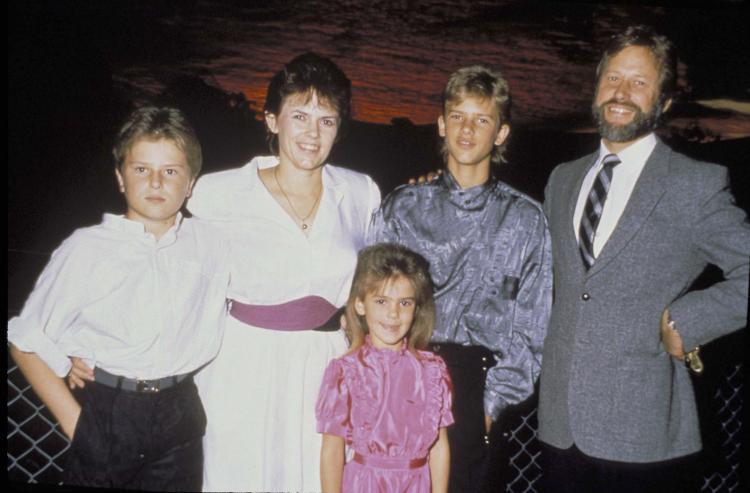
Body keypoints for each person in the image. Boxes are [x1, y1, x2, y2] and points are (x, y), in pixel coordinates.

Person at [538, 25, 750, 493]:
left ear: (664, 101)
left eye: (639, 83)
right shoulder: (562, 180)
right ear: (596, 88)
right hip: (560, 427)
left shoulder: (693, 185)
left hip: (645, 437)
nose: (621, 93)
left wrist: (689, 322)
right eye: (613, 78)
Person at [7, 106, 230, 491]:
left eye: (171, 171)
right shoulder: (87, 248)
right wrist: (77, 424)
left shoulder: (212, 243)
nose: (156, 182)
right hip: (109, 414)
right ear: (120, 177)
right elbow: (25, 339)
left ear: (191, 183)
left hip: (181, 416)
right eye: (141, 169)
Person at [186, 52, 381, 492]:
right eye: (300, 115)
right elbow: (166, 270)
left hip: (329, 365)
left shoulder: (361, 192)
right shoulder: (216, 193)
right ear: (273, 120)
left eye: (327, 120)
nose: (313, 133)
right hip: (244, 367)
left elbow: (377, 280)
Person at [371, 66, 552, 492]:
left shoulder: (526, 220)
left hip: (477, 385)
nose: (467, 131)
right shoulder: (403, 207)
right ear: (441, 124)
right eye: (457, 116)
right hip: (405, 378)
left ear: (501, 133)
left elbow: (533, 325)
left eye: (481, 119)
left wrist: (491, 405)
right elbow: (372, 300)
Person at [316, 243, 453, 493]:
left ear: (416, 309)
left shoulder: (432, 371)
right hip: (365, 485)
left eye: (404, 303)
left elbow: (439, 445)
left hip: (417, 485)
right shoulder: (345, 371)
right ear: (360, 305)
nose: (393, 314)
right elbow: (331, 450)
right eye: (381, 301)